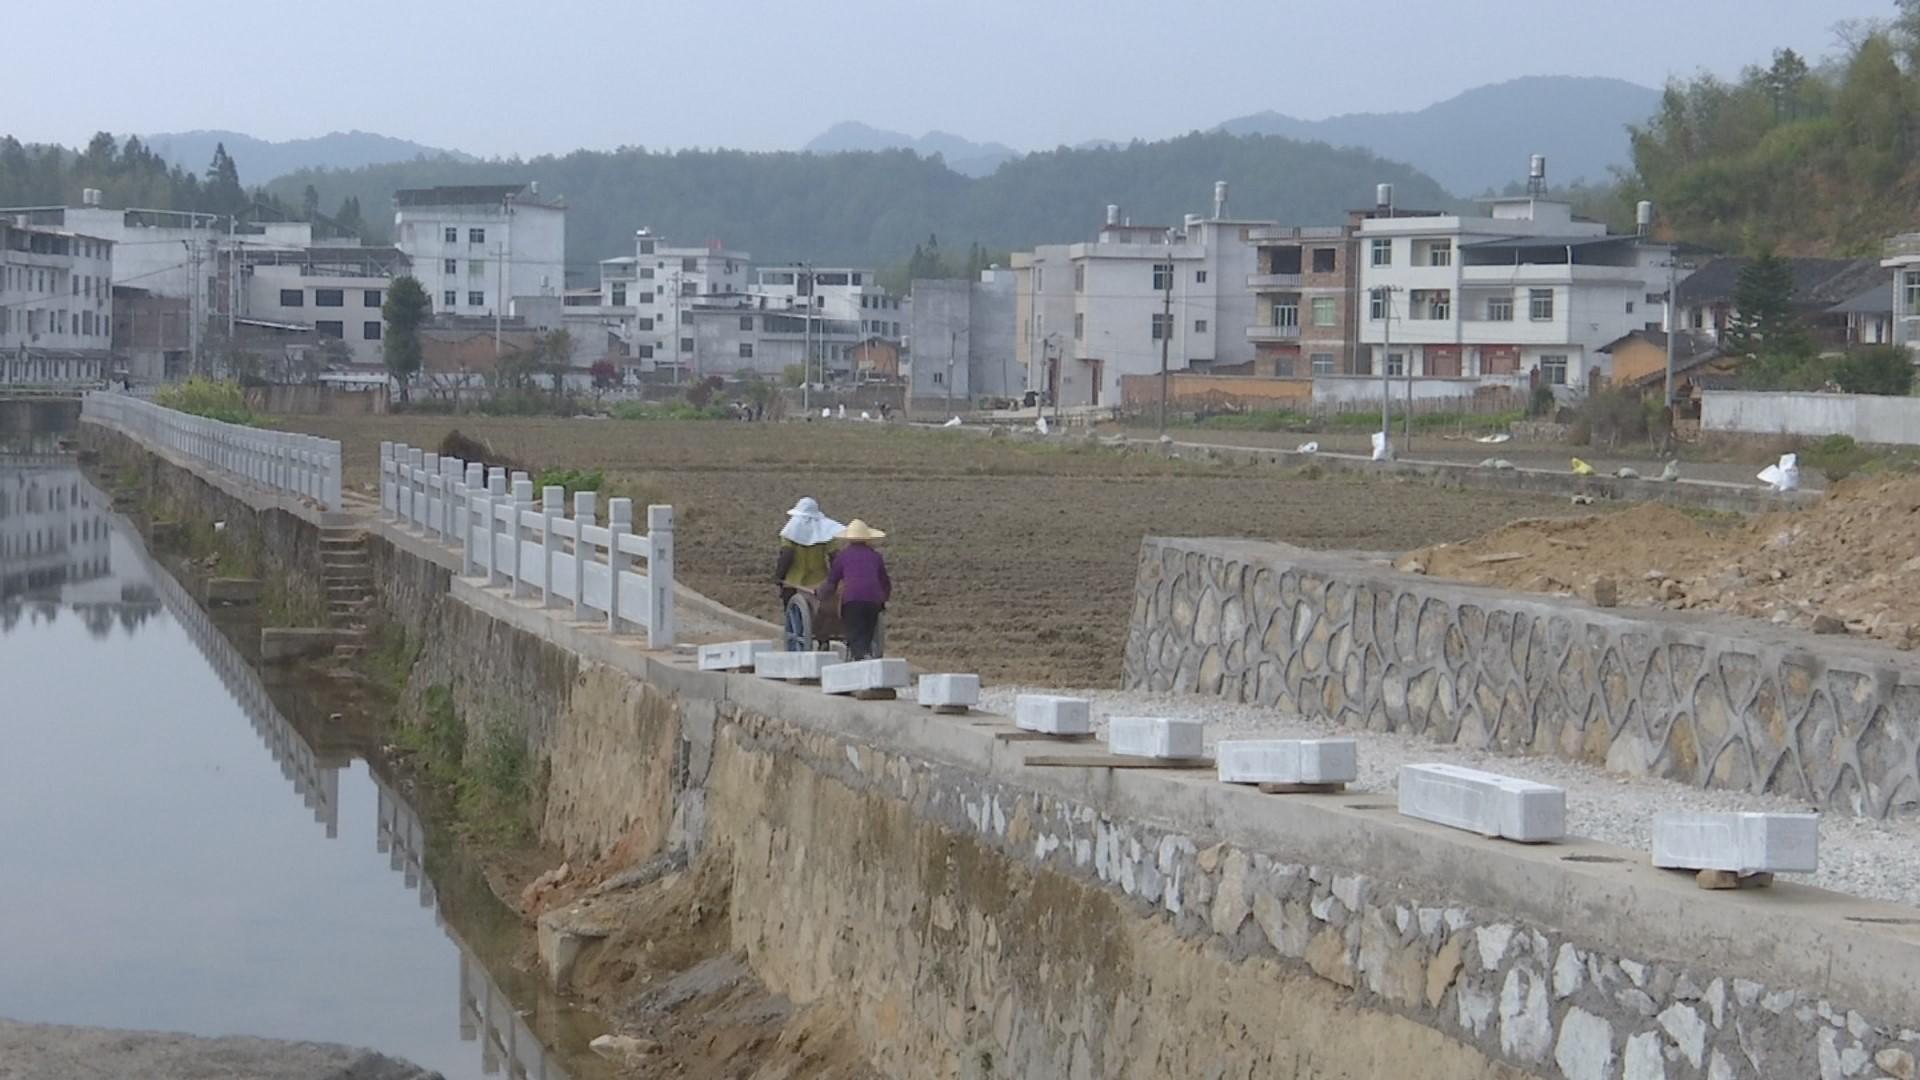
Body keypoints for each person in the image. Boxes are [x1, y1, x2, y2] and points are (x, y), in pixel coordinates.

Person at [821, 519, 890, 661]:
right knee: (867, 633)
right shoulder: (875, 556)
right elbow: (885, 582)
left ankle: (861, 657)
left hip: (852, 600)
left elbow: (832, 580)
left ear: (848, 540)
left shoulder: (843, 556)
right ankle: (865, 656)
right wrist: (883, 600)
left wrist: (822, 594)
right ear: (867, 540)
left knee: (855, 632)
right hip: (873, 601)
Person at [775, 496, 842, 606]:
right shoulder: (824, 533)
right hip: (819, 582)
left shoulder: (789, 532)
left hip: (793, 582)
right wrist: (834, 580)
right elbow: (834, 556)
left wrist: (779, 576)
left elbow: (787, 554)